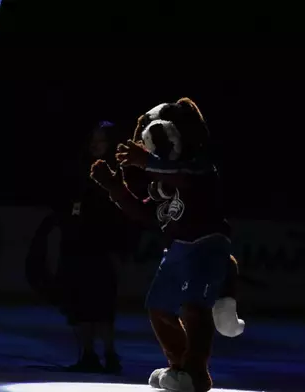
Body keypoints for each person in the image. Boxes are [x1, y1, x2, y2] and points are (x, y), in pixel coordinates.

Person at [91, 98, 234, 392]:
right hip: (178, 248)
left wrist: (145, 162)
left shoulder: (200, 166)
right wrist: (115, 189)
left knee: (194, 309)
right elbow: (147, 215)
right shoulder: (159, 183)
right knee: (158, 307)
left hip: (207, 244)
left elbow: (185, 176)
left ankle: (196, 372)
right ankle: (179, 365)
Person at [57, 121, 128, 374]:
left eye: (101, 140)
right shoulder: (81, 170)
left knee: (103, 304)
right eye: (93, 139)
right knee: (79, 303)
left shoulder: (116, 173)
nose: (95, 144)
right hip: (77, 246)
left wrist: (118, 250)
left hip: (103, 248)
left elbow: (121, 217)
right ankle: (87, 353)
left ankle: (109, 353)